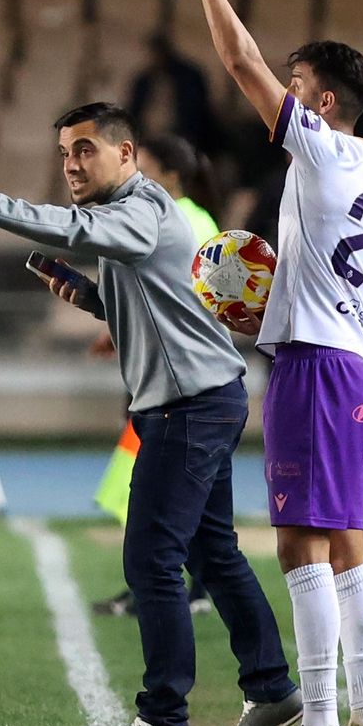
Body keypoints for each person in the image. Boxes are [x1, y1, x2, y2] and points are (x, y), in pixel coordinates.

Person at [0, 102, 301, 726]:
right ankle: (272, 687)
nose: (71, 165)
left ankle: (166, 721)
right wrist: (88, 295)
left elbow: (73, 226)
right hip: (204, 397)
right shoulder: (142, 215)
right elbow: (152, 297)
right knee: (211, 553)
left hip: (187, 407)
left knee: (151, 559)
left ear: (126, 154)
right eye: (64, 155)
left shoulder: (136, 210)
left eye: (84, 150)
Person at [190, 0, 363, 726]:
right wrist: (290, 292)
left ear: (319, 102)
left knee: (297, 545)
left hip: (314, 370)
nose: (280, 86)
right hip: (357, 362)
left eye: (295, 80)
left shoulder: (317, 148)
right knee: (348, 544)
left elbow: (237, 59)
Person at [93, 132, 220, 619]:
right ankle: (191, 585)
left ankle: (157, 586)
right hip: (174, 370)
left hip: (171, 378)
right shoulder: (200, 219)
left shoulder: (172, 218)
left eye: (143, 163)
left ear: (168, 172)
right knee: (187, 492)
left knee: (149, 489)